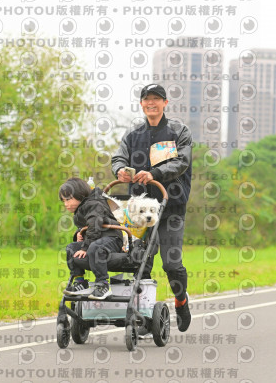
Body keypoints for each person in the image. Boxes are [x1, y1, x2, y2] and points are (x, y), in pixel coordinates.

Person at [111, 83, 193, 332]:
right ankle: (145, 315)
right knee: (140, 262)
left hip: (171, 208)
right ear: (142, 104)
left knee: (171, 265)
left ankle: (181, 301)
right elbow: (118, 157)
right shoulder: (133, 133)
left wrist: (154, 173)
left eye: (156, 99)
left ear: (165, 103)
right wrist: (120, 170)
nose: (151, 103)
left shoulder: (179, 131)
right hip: (139, 212)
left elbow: (182, 162)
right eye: (147, 99)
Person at [59, 177, 123, 299]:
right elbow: (87, 226)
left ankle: (103, 284)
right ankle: (80, 282)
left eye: (68, 199)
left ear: (80, 194)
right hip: (96, 239)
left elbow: (94, 225)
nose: (66, 204)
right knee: (71, 248)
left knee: (95, 247)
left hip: (112, 238)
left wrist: (85, 248)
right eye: (63, 201)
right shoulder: (82, 207)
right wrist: (79, 234)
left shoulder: (95, 204)